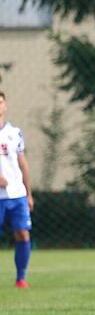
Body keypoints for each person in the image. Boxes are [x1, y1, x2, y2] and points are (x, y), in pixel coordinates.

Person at [0, 91, 34, 290]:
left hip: (17, 195)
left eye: (0, 102)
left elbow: (22, 163)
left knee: (22, 234)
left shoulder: (15, 133)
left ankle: (21, 278)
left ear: (5, 106)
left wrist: (28, 194)